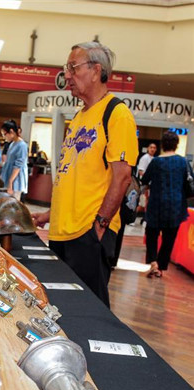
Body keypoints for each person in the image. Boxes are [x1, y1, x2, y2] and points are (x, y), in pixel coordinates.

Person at [32, 41, 138, 307]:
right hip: (62, 231)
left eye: (72, 67)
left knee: (89, 311)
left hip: (87, 233)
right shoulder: (79, 117)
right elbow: (74, 176)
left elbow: (122, 177)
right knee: (62, 308)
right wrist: (50, 213)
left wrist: (100, 225)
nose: (66, 75)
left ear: (95, 70)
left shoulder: (117, 114)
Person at [141, 131, 189, 278]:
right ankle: (161, 267)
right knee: (169, 237)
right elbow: (189, 183)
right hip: (175, 205)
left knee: (152, 234)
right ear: (176, 145)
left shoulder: (155, 162)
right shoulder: (183, 162)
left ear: (162, 145)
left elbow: (144, 180)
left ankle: (153, 262)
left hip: (156, 203)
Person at [0, 120, 28, 199]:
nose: (4, 137)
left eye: (4, 134)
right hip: (9, 176)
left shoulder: (22, 145)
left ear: (11, 132)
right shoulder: (12, 144)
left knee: (13, 204)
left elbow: (18, 165)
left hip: (15, 179)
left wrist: (10, 182)